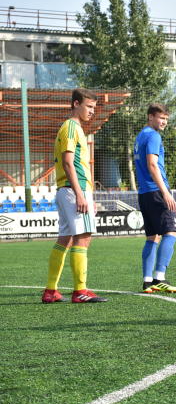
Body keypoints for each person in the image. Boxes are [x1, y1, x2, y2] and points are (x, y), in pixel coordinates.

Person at [42, 88, 108, 303]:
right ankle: (80, 291)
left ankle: (51, 291)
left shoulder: (74, 127)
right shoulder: (71, 127)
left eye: (94, 108)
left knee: (65, 239)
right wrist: (81, 194)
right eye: (89, 106)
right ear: (76, 104)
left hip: (66, 190)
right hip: (73, 190)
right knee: (83, 237)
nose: (92, 111)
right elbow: (68, 162)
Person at [133, 103, 176, 294]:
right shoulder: (153, 136)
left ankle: (147, 282)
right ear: (150, 117)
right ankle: (159, 278)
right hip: (156, 191)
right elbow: (152, 165)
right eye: (161, 118)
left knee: (152, 236)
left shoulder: (141, 136)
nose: (164, 122)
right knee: (171, 232)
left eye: (166, 119)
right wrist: (165, 192)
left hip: (144, 193)